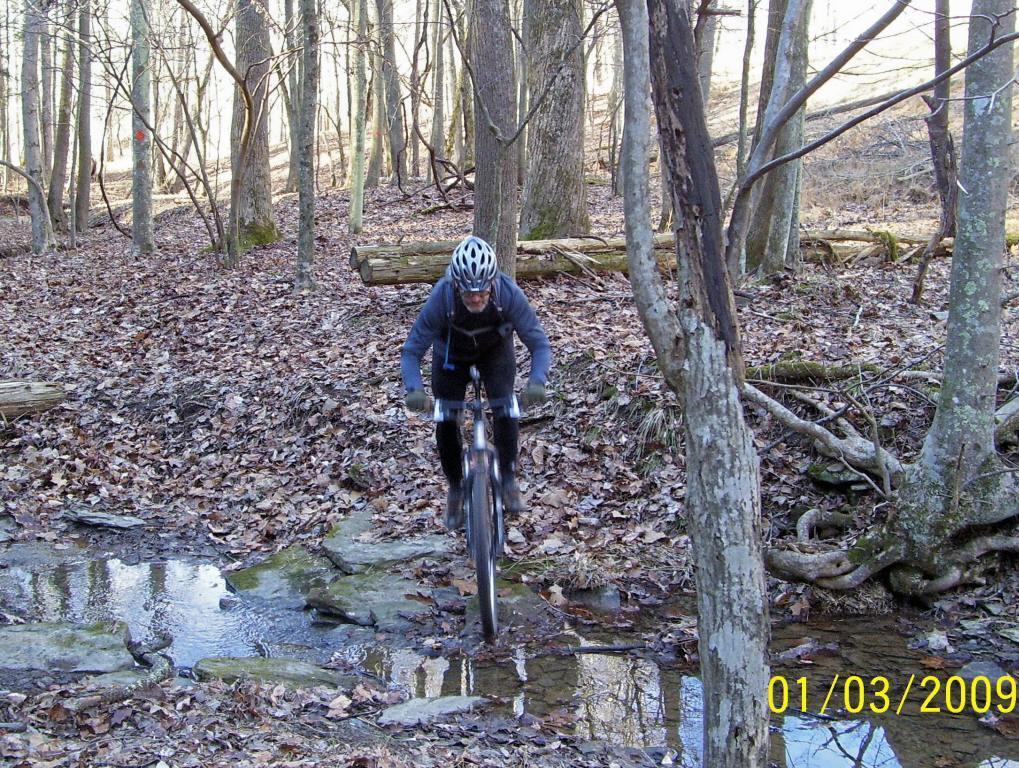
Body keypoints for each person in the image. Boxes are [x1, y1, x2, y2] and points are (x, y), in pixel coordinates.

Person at [401, 235, 552, 529]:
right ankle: (456, 487)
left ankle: (507, 478)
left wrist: (537, 381)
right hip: (450, 358)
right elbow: (411, 351)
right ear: (456, 284)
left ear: (492, 283)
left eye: (481, 292)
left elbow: (539, 344)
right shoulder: (441, 297)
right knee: (445, 420)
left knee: (507, 410)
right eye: (468, 293)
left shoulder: (508, 294)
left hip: (495, 355)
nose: (475, 298)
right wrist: (414, 389)